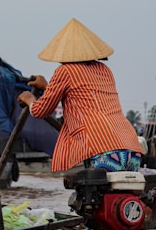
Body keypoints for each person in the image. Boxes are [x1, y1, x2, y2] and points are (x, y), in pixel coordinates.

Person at [18, 17, 144, 173]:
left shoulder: (65, 71)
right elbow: (80, 94)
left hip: (103, 150)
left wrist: (29, 99)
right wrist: (46, 86)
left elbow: (40, 110)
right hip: (131, 149)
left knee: (90, 193)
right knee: (116, 194)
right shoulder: (105, 70)